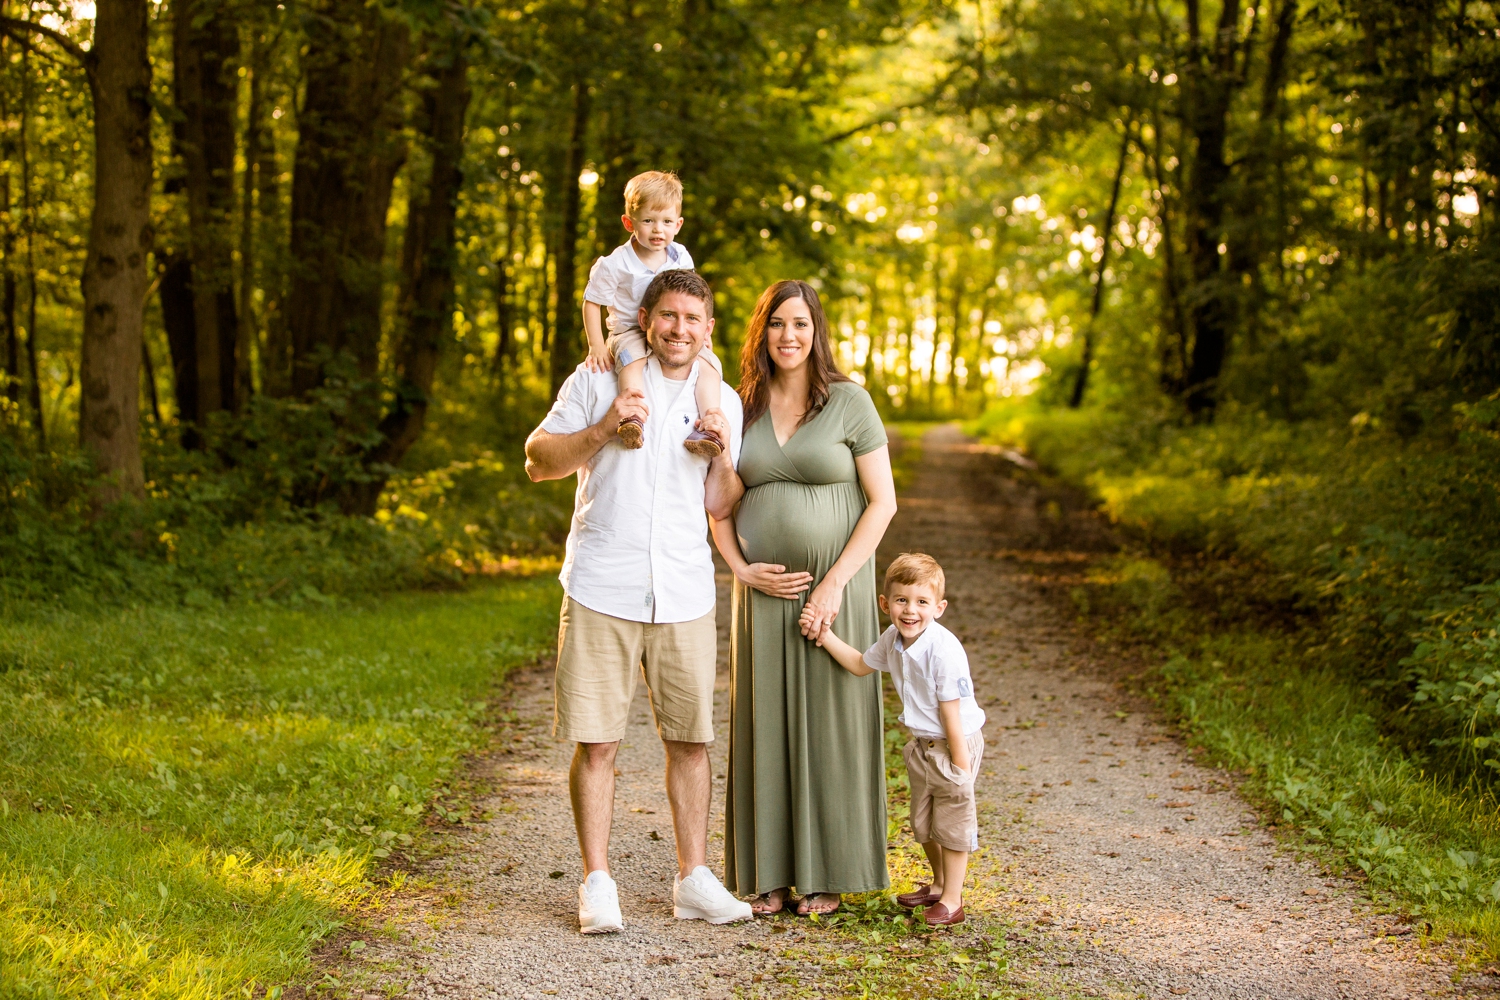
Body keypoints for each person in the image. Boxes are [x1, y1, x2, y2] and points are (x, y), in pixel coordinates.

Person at [525, 269, 752, 934]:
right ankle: (597, 884)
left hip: (683, 589)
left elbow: (719, 503)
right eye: (670, 316)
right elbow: (538, 460)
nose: (681, 329)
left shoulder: (724, 402)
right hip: (602, 583)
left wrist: (719, 457)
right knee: (598, 743)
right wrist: (601, 429)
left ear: (709, 329)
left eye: (694, 319)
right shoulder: (598, 378)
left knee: (692, 741)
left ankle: (693, 880)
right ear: (647, 320)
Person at [709, 280, 898, 916]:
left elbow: (882, 502)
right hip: (761, 594)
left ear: (816, 333)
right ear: (760, 334)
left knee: (832, 721)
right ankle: (767, 873)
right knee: (764, 721)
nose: (788, 336)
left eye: (800, 324)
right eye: (776, 324)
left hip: (837, 589)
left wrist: (837, 581)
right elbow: (717, 506)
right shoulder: (742, 408)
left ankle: (829, 871)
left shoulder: (849, 402)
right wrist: (741, 569)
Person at [803, 552, 986, 927]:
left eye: (922, 602)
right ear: (885, 603)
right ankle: (937, 886)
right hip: (923, 745)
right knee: (924, 823)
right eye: (902, 600)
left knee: (951, 824)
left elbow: (951, 715)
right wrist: (825, 635)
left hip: (954, 744)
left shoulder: (942, 650)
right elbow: (858, 665)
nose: (910, 610)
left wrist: (961, 770)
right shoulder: (893, 639)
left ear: (940, 607)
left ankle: (953, 900)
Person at [581, 170, 725, 458]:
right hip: (629, 330)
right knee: (632, 360)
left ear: (678, 224)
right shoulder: (615, 265)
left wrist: (700, 336)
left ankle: (710, 422)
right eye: (648, 221)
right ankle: (632, 416)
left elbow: (691, 298)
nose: (658, 230)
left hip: (670, 330)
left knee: (709, 364)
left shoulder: (680, 257)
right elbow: (591, 302)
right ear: (628, 222)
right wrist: (596, 344)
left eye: (667, 222)